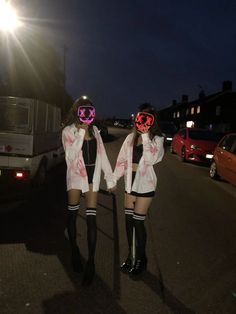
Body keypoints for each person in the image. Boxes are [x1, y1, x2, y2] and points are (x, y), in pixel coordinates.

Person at [62, 96, 116, 285]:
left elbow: (102, 153)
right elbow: (69, 156)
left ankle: (91, 262)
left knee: (92, 219)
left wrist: (110, 177)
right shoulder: (68, 131)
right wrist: (80, 133)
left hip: (92, 177)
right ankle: (75, 251)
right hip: (76, 177)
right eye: (84, 110)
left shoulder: (95, 131)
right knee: (72, 216)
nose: (87, 115)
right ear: (77, 111)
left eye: (90, 111)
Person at [113, 103, 164, 275]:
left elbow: (150, 160)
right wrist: (113, 179)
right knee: (128, 223)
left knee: (138, 222)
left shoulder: (157, 140)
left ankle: (140, 259)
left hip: (145, 185)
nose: (142, 122)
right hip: (129, 184)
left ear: (152, 122)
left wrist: (146, 135)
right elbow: (121, 161)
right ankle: (131, 256)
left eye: (147, 119)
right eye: (140, 118)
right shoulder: (129, 138)